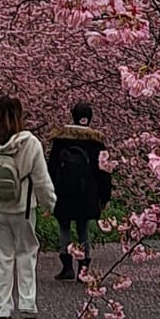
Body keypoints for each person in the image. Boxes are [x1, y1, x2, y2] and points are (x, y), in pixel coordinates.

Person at [0, 93, 56, 319]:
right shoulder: (30, 144)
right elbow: (41, 180)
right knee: (26, 253)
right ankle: (27, 302)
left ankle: (2, 306)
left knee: (0, 256)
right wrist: (49, 204)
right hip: (23, 210)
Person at [46, 102, 109, 279]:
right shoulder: (95, 141)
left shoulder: (61, 139)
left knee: (64, 227)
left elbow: (51, 167)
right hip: (87, 193)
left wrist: (49, 192)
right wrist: (104, 196)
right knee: (83, 228)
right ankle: (84, 267)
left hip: (63, 192)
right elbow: (103, 170)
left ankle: (67, 267)